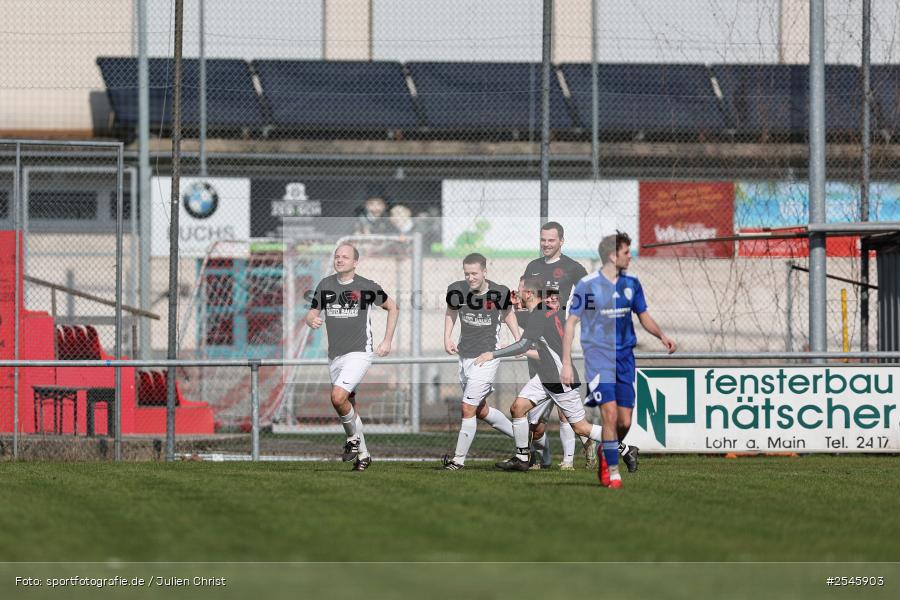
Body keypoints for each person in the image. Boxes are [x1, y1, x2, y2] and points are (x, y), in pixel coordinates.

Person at [561, 231, 676, 487]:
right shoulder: (588, 285)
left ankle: (607, 448)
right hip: (598, 358)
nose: (630, 257)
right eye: (626, 252)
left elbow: (643, 316)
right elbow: (571, 323)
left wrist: (662, 336)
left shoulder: (632, 283)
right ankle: (613, 472)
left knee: (625, 421)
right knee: (609, 416)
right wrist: (567, 363)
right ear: (613, 256)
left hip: (625, 357)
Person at [474, 277, 608, 484]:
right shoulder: (543, 311)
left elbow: (523, 345)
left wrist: (492, 354)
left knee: (581, 427)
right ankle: (522, 458)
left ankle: (624, 447)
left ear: (528, 293)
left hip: (557, 378)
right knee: (518, 408)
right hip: (545, 376)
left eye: (519, 289)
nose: (516, 292)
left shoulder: (539, 314)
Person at [304, 243, 400, 471]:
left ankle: (352, 440)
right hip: (335, 355)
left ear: (355, 262)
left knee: (337, 397)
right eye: (337, 256)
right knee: (348, 405)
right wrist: (311, 320)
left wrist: (387, 340)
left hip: (360, 352)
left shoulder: (365, 286)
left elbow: (393, 307)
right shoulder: (325, 284)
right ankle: (364, 455)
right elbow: (312, 313)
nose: (340, 260)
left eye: (345, 257)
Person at [442, 254, 521, 470]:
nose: (470, 277)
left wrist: (517, 340)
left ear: (484, 271)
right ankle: (524, 441)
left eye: (474, 273)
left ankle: (457, 461)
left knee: (467, 407)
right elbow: (452, 311)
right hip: (464, 356)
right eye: (467, 273)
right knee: (480, 410)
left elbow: (508, 314)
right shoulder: (457, 289)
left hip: (487, 358)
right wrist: (447, 336)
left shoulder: (499, 292)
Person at [522, 221, 590, 470]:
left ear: (561, 241)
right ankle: (544, 459)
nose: (546, 244)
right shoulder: (533, 267)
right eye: (543, 240)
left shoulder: (572, 267)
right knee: (534, 415)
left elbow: (590, 290)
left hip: (558, 340)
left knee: (564, 407)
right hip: (537, 340)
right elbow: (525, 300)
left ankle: (569, 461)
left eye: (551, 240)